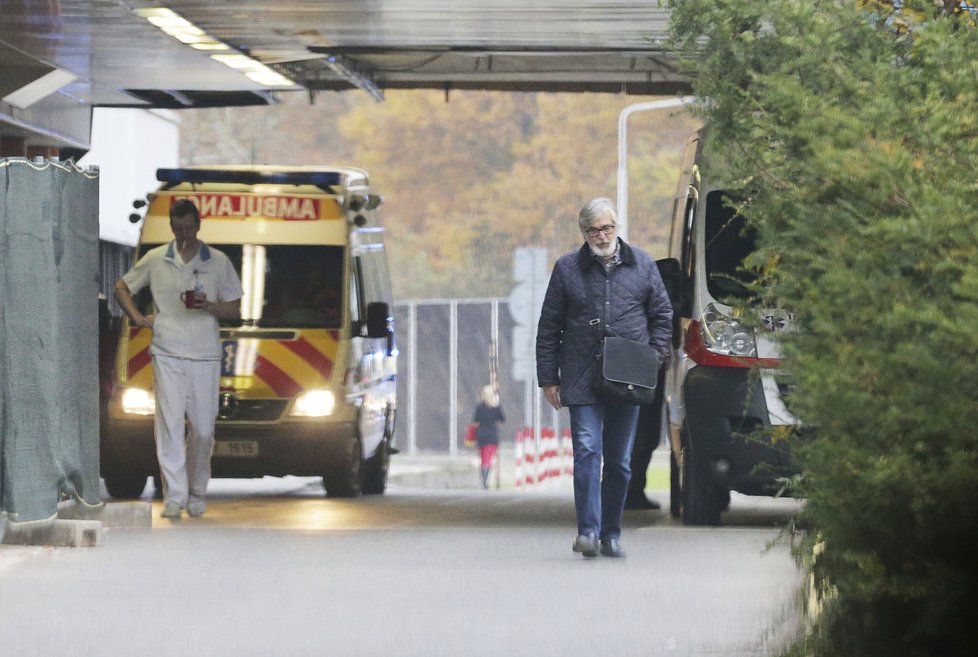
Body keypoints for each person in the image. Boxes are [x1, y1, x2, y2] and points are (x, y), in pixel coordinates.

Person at [536, 197, 672, 558]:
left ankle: (611, 533)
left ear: (617, 228)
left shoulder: (642, 264)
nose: (601, 235)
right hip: (581, 377)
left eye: (607, 228)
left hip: (628, 376)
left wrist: (655, 357)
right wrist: (549, 379)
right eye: (594, 230)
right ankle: (588, 531)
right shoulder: (567, 269)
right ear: (583, 232)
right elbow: (549, 327)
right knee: (586, 450)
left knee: (619, 461)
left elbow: (662, 315)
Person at [113, 199, 243, 519]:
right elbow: (121, 287)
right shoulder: (157, 259)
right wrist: (138, 318)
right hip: (167, 351)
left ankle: (198, 490)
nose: (183, 234)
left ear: (198, 225)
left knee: (202, 430)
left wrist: (208, 305)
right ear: (171, 227)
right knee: (169, 425)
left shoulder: (218, 262)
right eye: (177, 228)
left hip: (205, 355)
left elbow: (236, 309)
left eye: (188, 227)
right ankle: (175, 495)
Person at [624, 366, 666, 510]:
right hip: (644, 367)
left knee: (647, 434)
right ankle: (631, 489)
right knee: (642, 433)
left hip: (647, 366)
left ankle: (632, 488)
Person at [471, 384, 506, 489]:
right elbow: (503, 419)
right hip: (492, 436)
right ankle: (485, 480)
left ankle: (483, 479)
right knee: (487, 459)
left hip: (481, 435)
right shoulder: (496, 407)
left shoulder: (480, 406)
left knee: (482, 459)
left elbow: (475, 420)